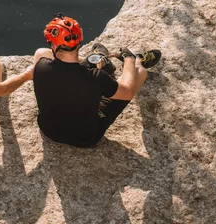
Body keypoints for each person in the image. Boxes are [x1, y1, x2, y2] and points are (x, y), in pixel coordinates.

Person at [32, 12, 161, 148]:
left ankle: (96, 59)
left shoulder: (41, 67)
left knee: (41, 52)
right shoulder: (96, 77)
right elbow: (128, 91)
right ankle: (138, 60)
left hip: (49, 130)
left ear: (53, 45)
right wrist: (129, 58)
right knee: (140, 72)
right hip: (86, 138)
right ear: (79, 42)